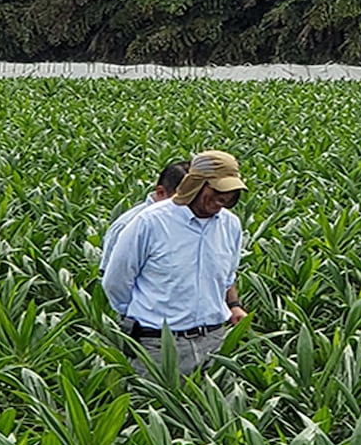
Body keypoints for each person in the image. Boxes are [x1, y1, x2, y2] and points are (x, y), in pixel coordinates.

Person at [102, 150, 250, 377]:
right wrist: (142, 317)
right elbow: (116, 282)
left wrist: (233, 305)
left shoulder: (230, 225)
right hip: (159, 345)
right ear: (195, 184)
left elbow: (227, 276)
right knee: (153, 400)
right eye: (218, 190)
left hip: (214, 341)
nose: (225, 198)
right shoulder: (150, 222)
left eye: (231, 192)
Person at [99, 160, 189, 277]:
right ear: (161, 193)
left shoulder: (193, 221)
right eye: (186, 197)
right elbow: (112, 279)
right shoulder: (127, 226)